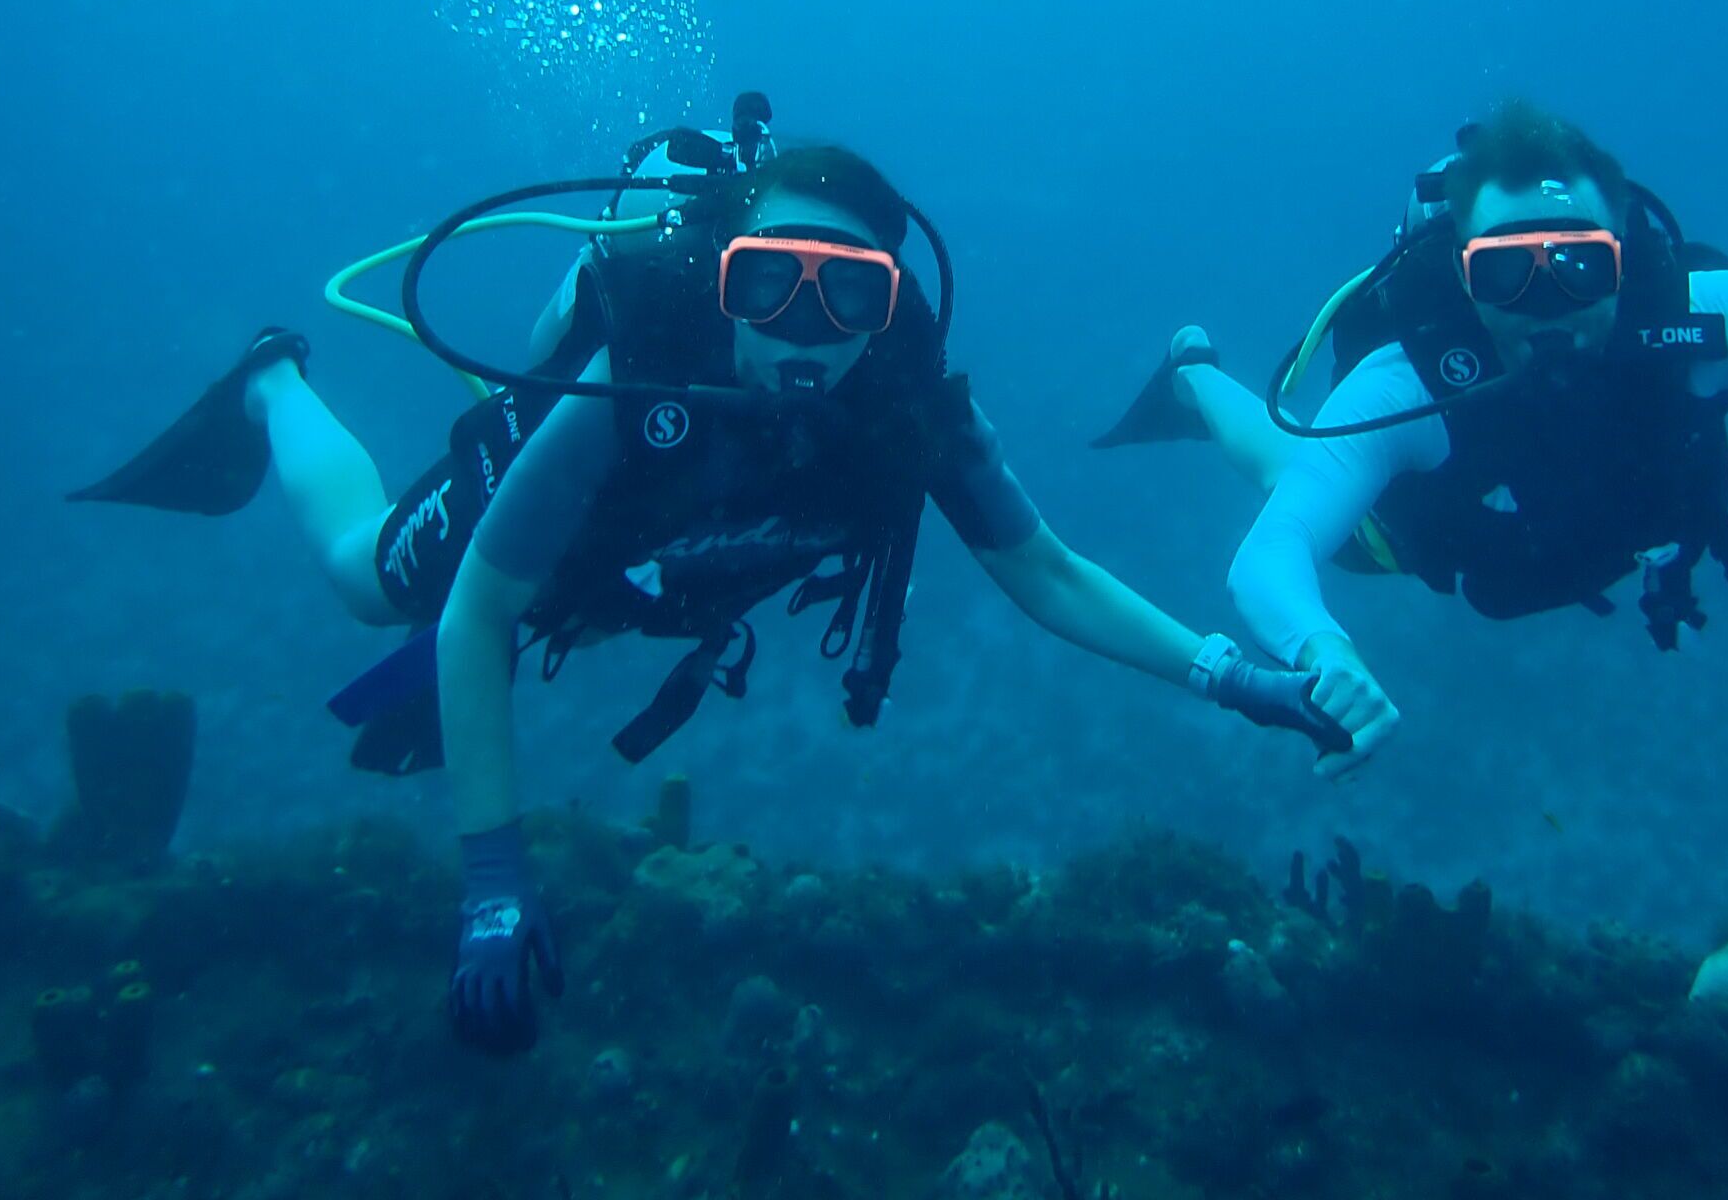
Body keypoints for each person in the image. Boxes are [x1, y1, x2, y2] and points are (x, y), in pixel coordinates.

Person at [70, 105, 1337, 1052]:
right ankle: (271, 380)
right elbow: (478, 617)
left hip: (672, 548)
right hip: (595, 494)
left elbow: (1047, 573)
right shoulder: (632, 380)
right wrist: (494, 880)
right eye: (764, 281)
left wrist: (1231, 677)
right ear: (718, 277)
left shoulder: (910, 413)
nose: (797, 324)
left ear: (889, 310)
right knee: (371, 582)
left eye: (842, 297)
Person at [1098, 99, 1728, 783]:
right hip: (1417, 534)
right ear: (1462, 275)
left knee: (1300, 476)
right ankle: (1194, 377)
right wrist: (1323, 650)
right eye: (1509, 272)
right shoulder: (1410, 378)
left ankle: (1198, 378)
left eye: (1581, 263)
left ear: (1625, 250)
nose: (1550, 299)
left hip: (1603, 529)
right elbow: (1270, 557)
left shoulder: (1703, 319)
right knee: (1282, 471)